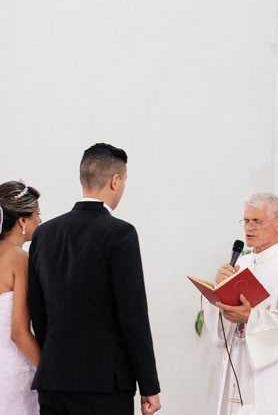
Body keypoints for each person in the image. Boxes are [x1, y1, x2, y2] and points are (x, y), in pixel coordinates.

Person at [27, 143, 161, 415]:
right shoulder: (120, 233)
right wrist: (149, 385)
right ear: (115, 181)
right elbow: (132, 315)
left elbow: (37, 310)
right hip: (104, 384)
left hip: (54, 380)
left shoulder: (45, 234)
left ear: (82, 179)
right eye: (124, 180)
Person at [205, 192, 278, 415]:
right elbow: (220, 332)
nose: (249, 228)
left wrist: (251, 318)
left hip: (273, 370)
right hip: (239, 362)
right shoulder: (242, 263)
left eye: (257, 221)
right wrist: (219, 292)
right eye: (246, 220)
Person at [0, 181, 43, 415]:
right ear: (22, 221)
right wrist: (49, 373)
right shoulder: (20, 259)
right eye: (37, 214)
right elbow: (18, 332)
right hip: (12, 373)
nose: (41, 221)